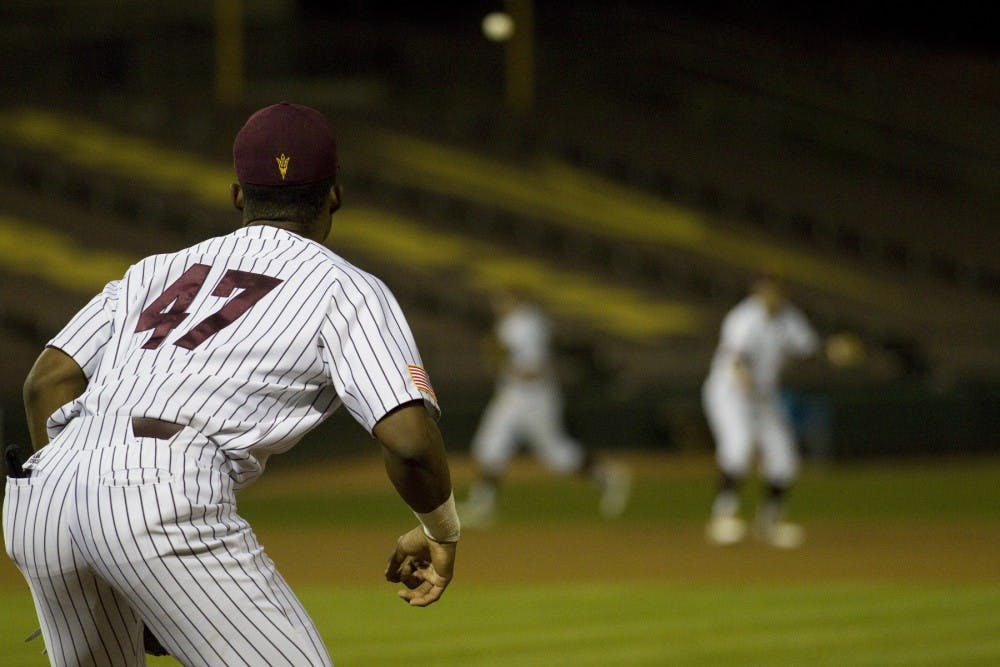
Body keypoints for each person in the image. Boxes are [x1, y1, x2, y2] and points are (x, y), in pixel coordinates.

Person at [3, 102, 459, 666]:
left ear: (238, 195)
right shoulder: (346, 288)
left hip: (43, 492)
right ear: (335, 194)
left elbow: (47, 381)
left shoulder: (153, 269)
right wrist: (440, 530)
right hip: (156, 491)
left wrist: (86, 502)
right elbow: (410, 442)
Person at [459, 288, 631, 528]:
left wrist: (500, 357)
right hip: (512, 396)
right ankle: (482, 506)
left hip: (533, 399)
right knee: (489, 446)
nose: (496, 304)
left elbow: (532, 372)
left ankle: (609, 476)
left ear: (515, 298)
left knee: (557, 456)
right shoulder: (519, 322)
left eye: (501, 298)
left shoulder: (524, 326)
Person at [702, 272, 821, 549]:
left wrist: (832, 350)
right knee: (739, 447)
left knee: (784, 458)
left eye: (774, 290)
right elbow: (736, 359)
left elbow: (808, 347)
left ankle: (770, 521)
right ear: (756, 292)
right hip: (730, 394)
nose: (769, 296)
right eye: (764, 290)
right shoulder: (743, 318)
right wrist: (744, 380)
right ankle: (723, 516)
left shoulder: (789, 318)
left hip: (763, 397)